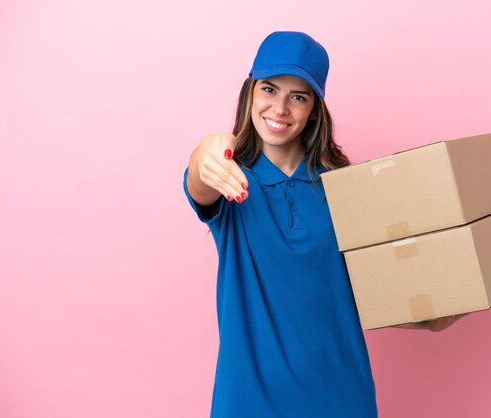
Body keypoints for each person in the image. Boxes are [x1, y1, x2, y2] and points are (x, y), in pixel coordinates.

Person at [183, 31, 463, 418]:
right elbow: (200, 178)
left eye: (298, 96)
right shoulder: (228, 176)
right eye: (269, 89)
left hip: (341, 399)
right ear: (250, 92)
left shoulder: (348, 188)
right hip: (248, 402)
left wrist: (435, 312)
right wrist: (206, 150)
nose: (279, 108)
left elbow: (360, 294)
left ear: (314, 108)